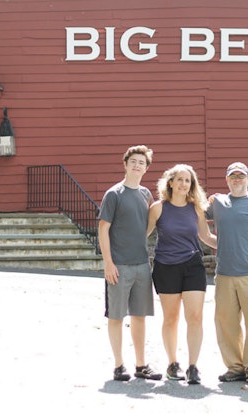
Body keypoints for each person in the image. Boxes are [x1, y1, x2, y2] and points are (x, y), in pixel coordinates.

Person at [147, 164, 217, 385]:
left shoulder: (196, 208)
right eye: (180, 179)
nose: (183, 184)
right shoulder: (158, 208)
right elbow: (142, 234)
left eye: (188, 180)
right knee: (171, 318)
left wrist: (234, 245)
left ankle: (193, 366)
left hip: (192, 265)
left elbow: (206, 237)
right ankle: (172, 363)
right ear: (170, 182)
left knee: (195, 317)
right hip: (165, 267)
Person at [206, 162, 248, 385]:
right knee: (226, 322)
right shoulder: (219, 204)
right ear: (227, 180)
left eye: (241, 176)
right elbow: (194, 210)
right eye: (232, 176)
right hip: (224, 273)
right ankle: (234, 367)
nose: (237, 179)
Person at [98, 145, 162, 381]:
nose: (137, 165)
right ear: (125, 164)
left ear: (146, 168)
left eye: (141, 163)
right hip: (119, 265)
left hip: (142, 265)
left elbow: (147, 226)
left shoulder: (146, 194)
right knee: (116, 316)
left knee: (139, 315)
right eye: (133, 161)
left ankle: (141, 364)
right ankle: (118, 365)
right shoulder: (114, 194)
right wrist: (108, 262)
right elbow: (103, 229)